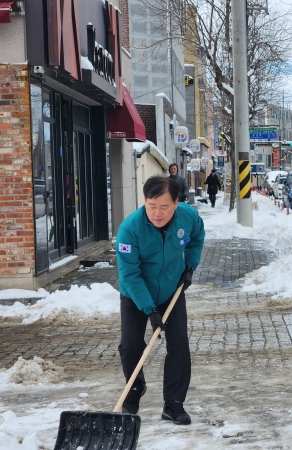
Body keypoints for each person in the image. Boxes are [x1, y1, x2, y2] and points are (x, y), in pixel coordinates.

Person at [115, 176, 205, 425]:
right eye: (152, 205)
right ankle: (134, 389)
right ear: (145, 200)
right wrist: (149, 309)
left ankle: (174, 403)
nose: (157, 213)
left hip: (171, 290)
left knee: (178, 345)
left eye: (164, 206)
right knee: (130, 345)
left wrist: (190, 266)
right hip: (136, 293)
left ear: (176, 203)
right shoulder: (130, 229)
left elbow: (197, 236)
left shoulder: (187, 216)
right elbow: (130, 275)